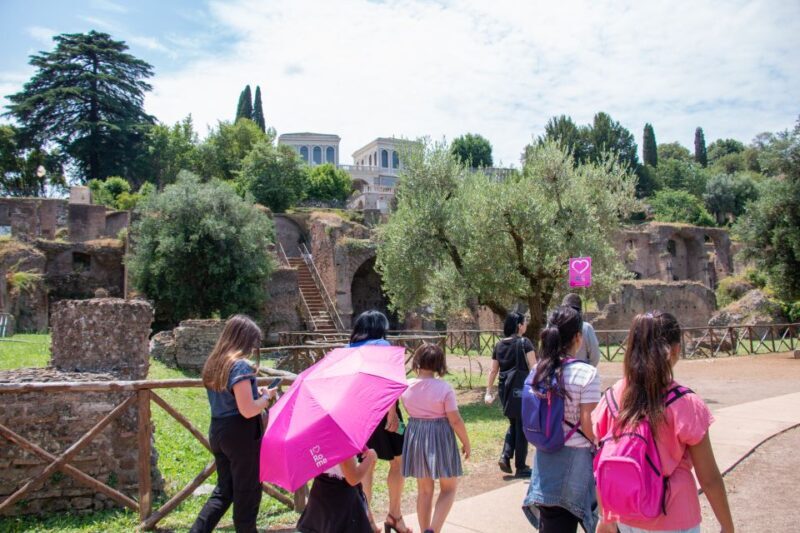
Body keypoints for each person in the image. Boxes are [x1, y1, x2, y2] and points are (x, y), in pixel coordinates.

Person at [592, 312, 734, 533]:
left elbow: (601, 460)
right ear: (675, 350)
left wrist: (605, 514)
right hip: (674, 516)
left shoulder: (611, 397)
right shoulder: (685, 403)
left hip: (626, 514)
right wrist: (727, 526)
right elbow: (709, 479)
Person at [191, 315, 274, 533]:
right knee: (247, 493)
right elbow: (247, 410)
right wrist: (266, 398)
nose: (253, 348)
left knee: (224, 491)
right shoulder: (240, 366)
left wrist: (257, 395)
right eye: (252, 342)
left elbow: (232, 398)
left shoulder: (215, 363)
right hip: (240, 434)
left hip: (218, 430)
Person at [522, 306, 600, 532]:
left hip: (545, 458)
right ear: (578, 337)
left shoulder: (539, 370)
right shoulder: (587, 374)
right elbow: (589, 426)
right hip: (577, 463)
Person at [348, 310, 411, 533]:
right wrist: (392, 412)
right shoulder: (384, 346)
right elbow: (391, 381)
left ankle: (368, 521)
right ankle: (395, 515)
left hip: (359, 414)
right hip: (385, 410)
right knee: (399, 461)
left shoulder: (349, 350)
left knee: (367, 464)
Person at [401, 343, 471, 533]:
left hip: (416, 435)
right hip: (441, 435)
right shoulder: (444, 388)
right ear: (440, 364)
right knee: (448, 488)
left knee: (424, 490)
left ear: (417, 361)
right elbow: (455, 420)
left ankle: (425, 529)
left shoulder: (405, 386)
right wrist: (466, 442)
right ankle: (434, 530)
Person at [485, 311, 536, 477]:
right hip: (522, 389)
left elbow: (493, 370)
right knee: (522, 426)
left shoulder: (498, 345)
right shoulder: (525, 342)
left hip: (505, 389)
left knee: (514, 423)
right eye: (525, 322)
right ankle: (520, 466)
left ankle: (505, 456)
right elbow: (534, 367)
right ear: (519, 326)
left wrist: (488, 391)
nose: (526, 325)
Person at [296, 449, 379, 533]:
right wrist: (370, 457)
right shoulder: (341, 440)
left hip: (319, 493)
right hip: (340, 500)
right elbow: (353, 478)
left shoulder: (315, 437)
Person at [562, 293, 601, 367]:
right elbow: (595, 356)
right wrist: (586, 371)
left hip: (558, 373)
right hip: (582, 373)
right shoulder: (586, 328)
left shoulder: (552, 327)